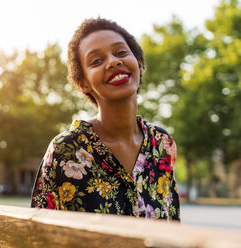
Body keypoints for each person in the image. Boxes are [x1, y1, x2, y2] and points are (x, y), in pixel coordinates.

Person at [31, 17, 180, 221]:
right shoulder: (65, 150)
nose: (113, 62)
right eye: (96, 61)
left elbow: (172, 223)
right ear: (83, 83)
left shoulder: (163, 144)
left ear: (139, 63)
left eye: (120, 53)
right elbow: (39, 234)